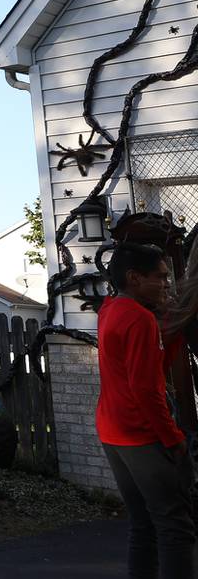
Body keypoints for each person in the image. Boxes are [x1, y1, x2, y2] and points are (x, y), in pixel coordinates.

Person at [98, 241, 192, 579]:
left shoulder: (109, 308)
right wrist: (173, 439)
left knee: (143, 525)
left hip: (113, 432)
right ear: (135, 277)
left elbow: (152, 368)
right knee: (176, 527)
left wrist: (171, 330)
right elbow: (147, 391)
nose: (167, 284)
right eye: (161, 277)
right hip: (141, 436)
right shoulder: (139, 319)